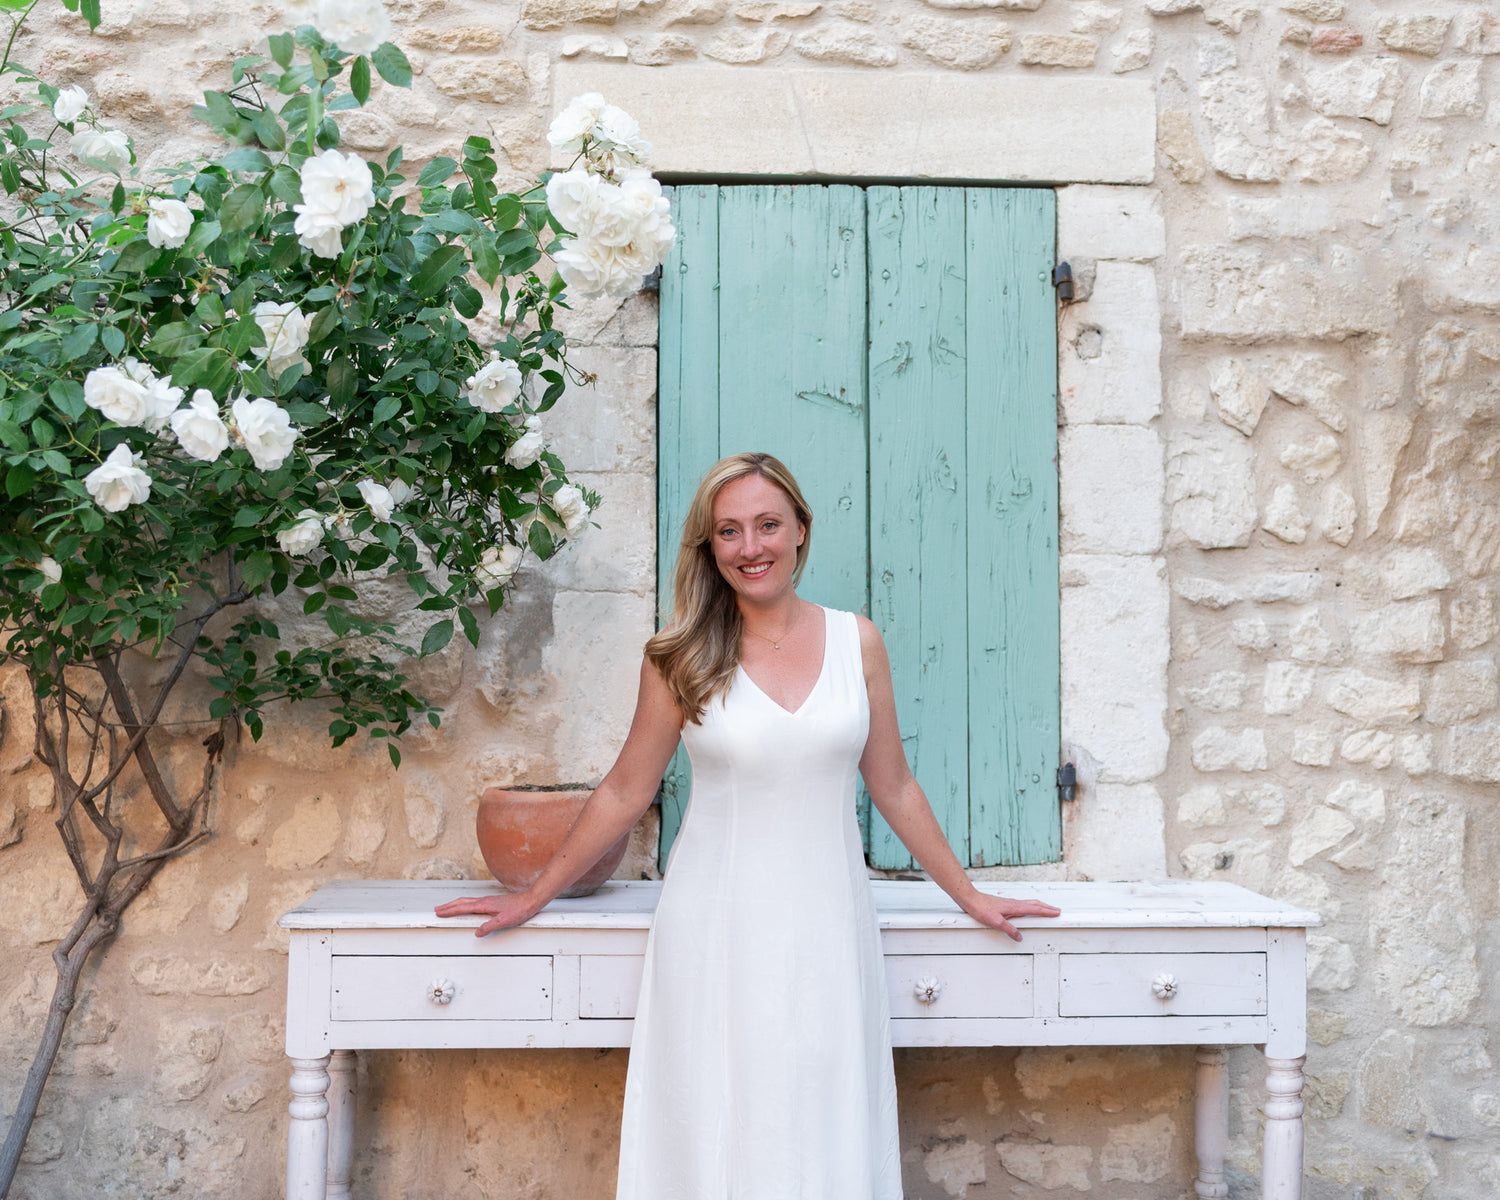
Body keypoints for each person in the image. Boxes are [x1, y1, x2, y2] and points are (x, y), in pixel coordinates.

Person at [436, 451, 1061, 1199]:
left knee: (821, 1117)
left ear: (800, 528)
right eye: (728, 532)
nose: (750, 547)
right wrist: (531, 897)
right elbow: (625, 791)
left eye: (768, 524)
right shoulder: (680, 656)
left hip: (830, 923)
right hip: (717, 926)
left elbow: (892, 784)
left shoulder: (855, 642)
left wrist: (972, 897)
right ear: (709, 547)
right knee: (720, 1121)